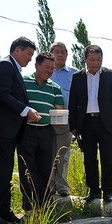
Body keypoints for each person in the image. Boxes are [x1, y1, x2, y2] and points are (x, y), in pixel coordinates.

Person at [0, 37, 40, 224]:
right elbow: (3, 95)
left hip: (8, 130)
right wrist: (26, 110)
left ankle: (4, 212)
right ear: (17, 50)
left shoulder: (13, 68)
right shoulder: (5, 66)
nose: (30, 59)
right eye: (29, 54)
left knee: (5, 173)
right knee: (1, 172)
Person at [68, 45, 112, 203]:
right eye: (92, 59)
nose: (95, 63)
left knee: (108, 157)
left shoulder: (110, 75)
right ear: (85, 59)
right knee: (89, 158)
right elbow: (73, 103)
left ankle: (107, 190)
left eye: (98, 59)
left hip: (106, 122)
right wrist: (73, 125)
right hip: (85, 123)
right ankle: (93, 190)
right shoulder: (77, 77)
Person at [17, 51, 63, 211]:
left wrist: (61, 117)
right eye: (47, 67)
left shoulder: (55, 88)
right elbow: (16, 105)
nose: (49, 71)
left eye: (52, 68)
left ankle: (45, 205)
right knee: (27, 170)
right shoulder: (22, 82)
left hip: (47, 132)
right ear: (36, 65)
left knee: (46, 169)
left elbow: (59, 110)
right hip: (26, 132)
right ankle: (29, 206)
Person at [49, 42, 77, 197]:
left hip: (66, 117)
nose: (60, 55)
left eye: (63, 52)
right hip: (46, 117)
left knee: (63, 154)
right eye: (57, 52)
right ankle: (49, 186)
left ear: (67, 55)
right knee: (48, 153)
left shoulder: (74, 73)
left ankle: (62, 186)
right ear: (51, 53)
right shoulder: (45, 71)